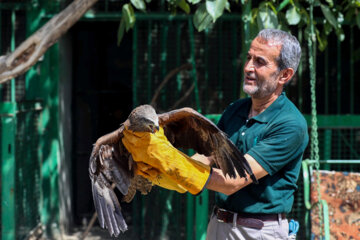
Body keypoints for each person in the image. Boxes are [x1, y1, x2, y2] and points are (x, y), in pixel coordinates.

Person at [191, 28, 309, 239]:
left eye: (259, 62)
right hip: (218, 224)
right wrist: (166, 163)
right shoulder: (235, 110)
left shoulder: (290, 124)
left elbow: (232, 181)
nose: (248, 68)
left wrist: (179, 170)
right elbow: (208, 156)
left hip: (258, 232)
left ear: (285, 75)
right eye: (248, 58)